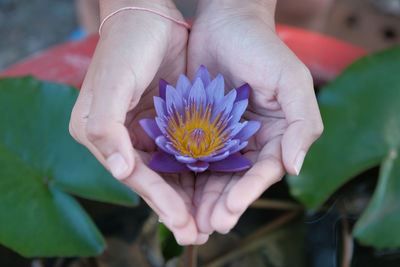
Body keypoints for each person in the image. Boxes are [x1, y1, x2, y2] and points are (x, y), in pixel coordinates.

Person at [69, 0, 323, 245]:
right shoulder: (163, 130)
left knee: (300, 5)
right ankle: (100, 39)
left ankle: (282, 31)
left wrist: (243, 9)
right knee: (104, 18)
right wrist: (126, 12)